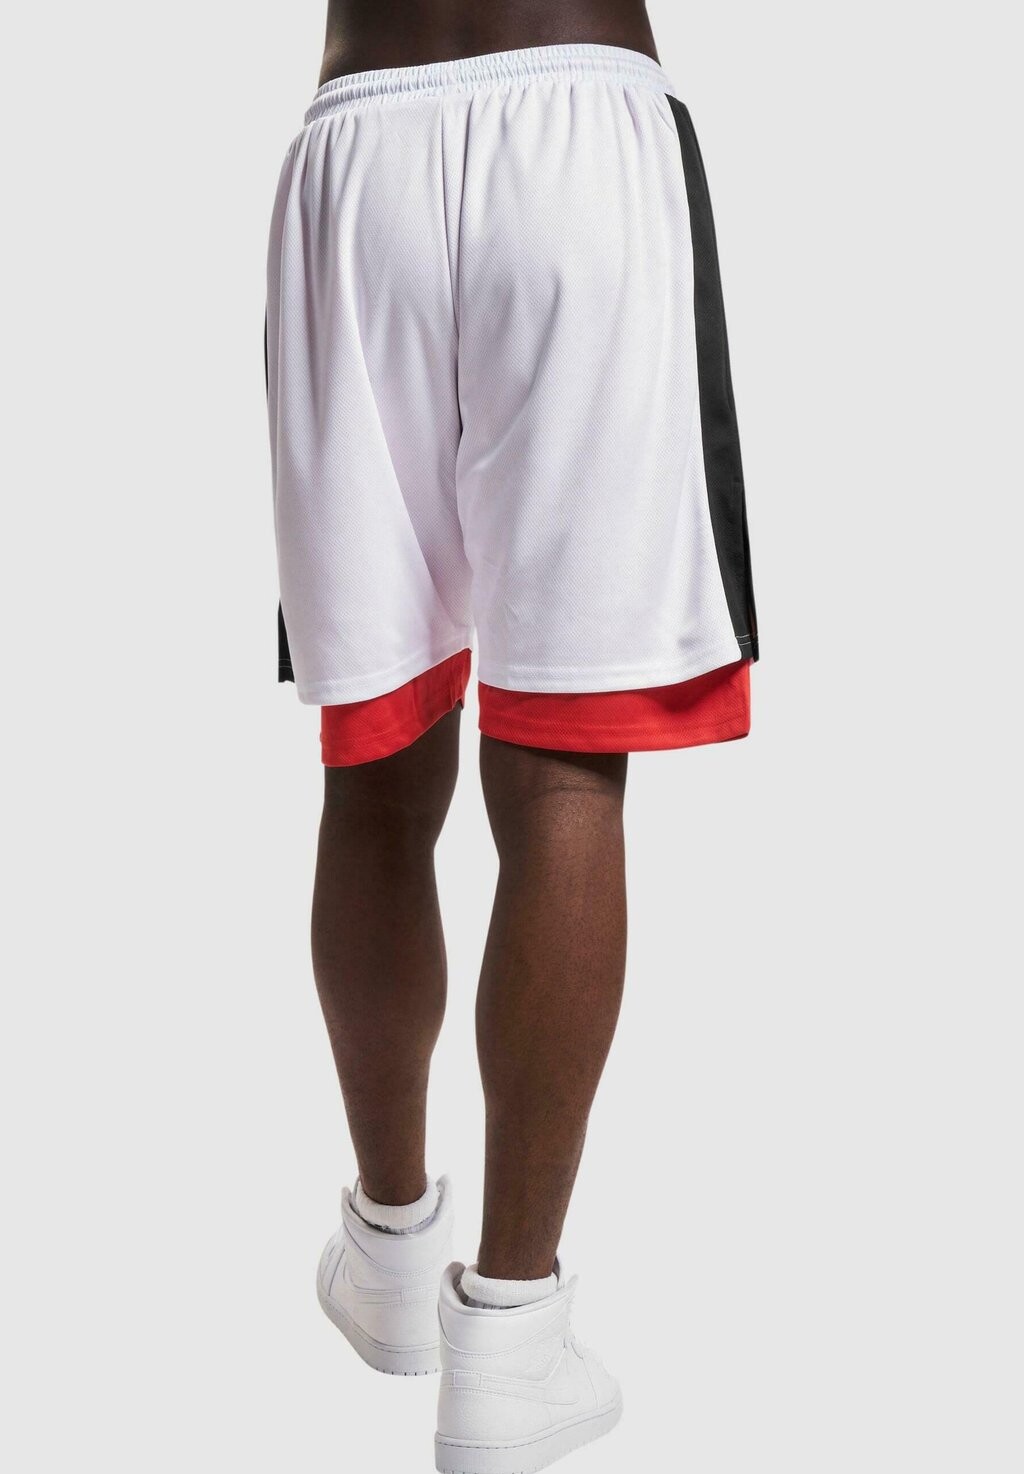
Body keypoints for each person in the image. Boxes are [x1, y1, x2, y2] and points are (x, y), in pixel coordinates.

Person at [265, 2, 757, 1468]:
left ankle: (390, 1249)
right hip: (577, 119)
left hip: (360, 139)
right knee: (560, 772)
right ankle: (513, 1331)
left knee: (377, 755)